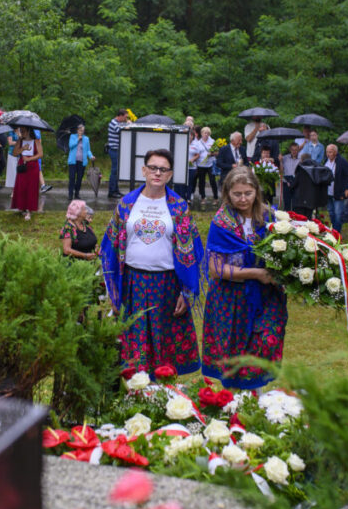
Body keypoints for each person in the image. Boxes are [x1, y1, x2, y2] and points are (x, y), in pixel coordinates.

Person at [100, 149, 205, 375]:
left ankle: (162, 389)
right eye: (153, 168)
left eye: (163, 169)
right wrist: (113, 289)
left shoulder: (179, 207)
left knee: (164, 345)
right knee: (134, 344)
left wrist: (187, 291)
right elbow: (111, 245)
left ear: (170, 174)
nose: (157, 173)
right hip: (132, 282)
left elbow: (190, 250)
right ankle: (134, 389)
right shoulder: (126, 204)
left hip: (167, 284)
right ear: (144, 170)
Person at [201, 167, 287, 390]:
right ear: (227, 193)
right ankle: (235, 403)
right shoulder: (222, 223)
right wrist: (256, 273)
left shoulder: (270, 218)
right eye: (237, 194)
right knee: (235, 357)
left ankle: (255, 396)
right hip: (231, 298)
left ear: (256, 191)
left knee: (263, 345)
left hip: (265, 297)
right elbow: (216, 269)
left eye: (248, 193)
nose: (243, 199)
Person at [11, 126, 42, 220]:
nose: (22, 133)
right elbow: (14, 153)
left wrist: (29, 159)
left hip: (33, 166)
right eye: (21, 131)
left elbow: (40, 154)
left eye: (23, 131)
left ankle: (29, 210)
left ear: (28, 131)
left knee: (31, 188)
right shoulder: (20, 141)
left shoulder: (36, 141)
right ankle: (22, 207)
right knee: (22, 187)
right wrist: (22, 149)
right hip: (22, 166)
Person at [324, 144, 348, 234]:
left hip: (339, 193)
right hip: (328, 192)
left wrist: (347, 189)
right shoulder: (326, 161)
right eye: (327, 152)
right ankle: (334, 230)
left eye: (330, 152)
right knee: (331, 213)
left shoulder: (342, 162)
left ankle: (336, 233)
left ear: (335, 152)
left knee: (338, 214)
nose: (328, 154)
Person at [190, 126, 219, 202]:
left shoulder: (212, 141)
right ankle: (203, 197)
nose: (206, 134)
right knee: (201, 182)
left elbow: (217, 153)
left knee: (212, 181)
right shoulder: (198, 143)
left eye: (208, 133)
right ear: (201, 133)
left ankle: (215, 197)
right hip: (200, 165)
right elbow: (196, 153)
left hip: (210, 164)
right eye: (204, 133)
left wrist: (212, 154)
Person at [106, 108, 131, 198]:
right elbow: (120, 131)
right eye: (125, 117)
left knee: (116, 171)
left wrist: (127, 125)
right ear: (120, 116)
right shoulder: (113, 123)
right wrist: (128, 125)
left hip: (117, 150)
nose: (126, 119)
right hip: (114, 150)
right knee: (114, 171)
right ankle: (112, 191)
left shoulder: (119, 123)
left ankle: (116, 190)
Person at [67, 124, 95, 200]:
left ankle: (77, 193)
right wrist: (77, 139)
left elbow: (88, 150)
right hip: (73, 161)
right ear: (77, 130)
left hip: (82, 162)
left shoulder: (86, 139)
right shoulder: (72, 136)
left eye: (83, 131)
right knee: (72, 178)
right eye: (80, 130)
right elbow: (70, 146)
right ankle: (70, 194)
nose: (81, 132)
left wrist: (91, 156)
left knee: (79, 179)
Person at [280, 143, 300, 210]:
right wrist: (280, 161)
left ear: (298, 150)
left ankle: (295, 216)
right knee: (287, 203)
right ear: (290, 150)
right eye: (292, 150)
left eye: (296, 150)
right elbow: (281, 171)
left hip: (296, 182)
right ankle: (286, 216)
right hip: (286, 182)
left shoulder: (301, 159)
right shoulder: (284, 158)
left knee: (296, 204)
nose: (294, 151)